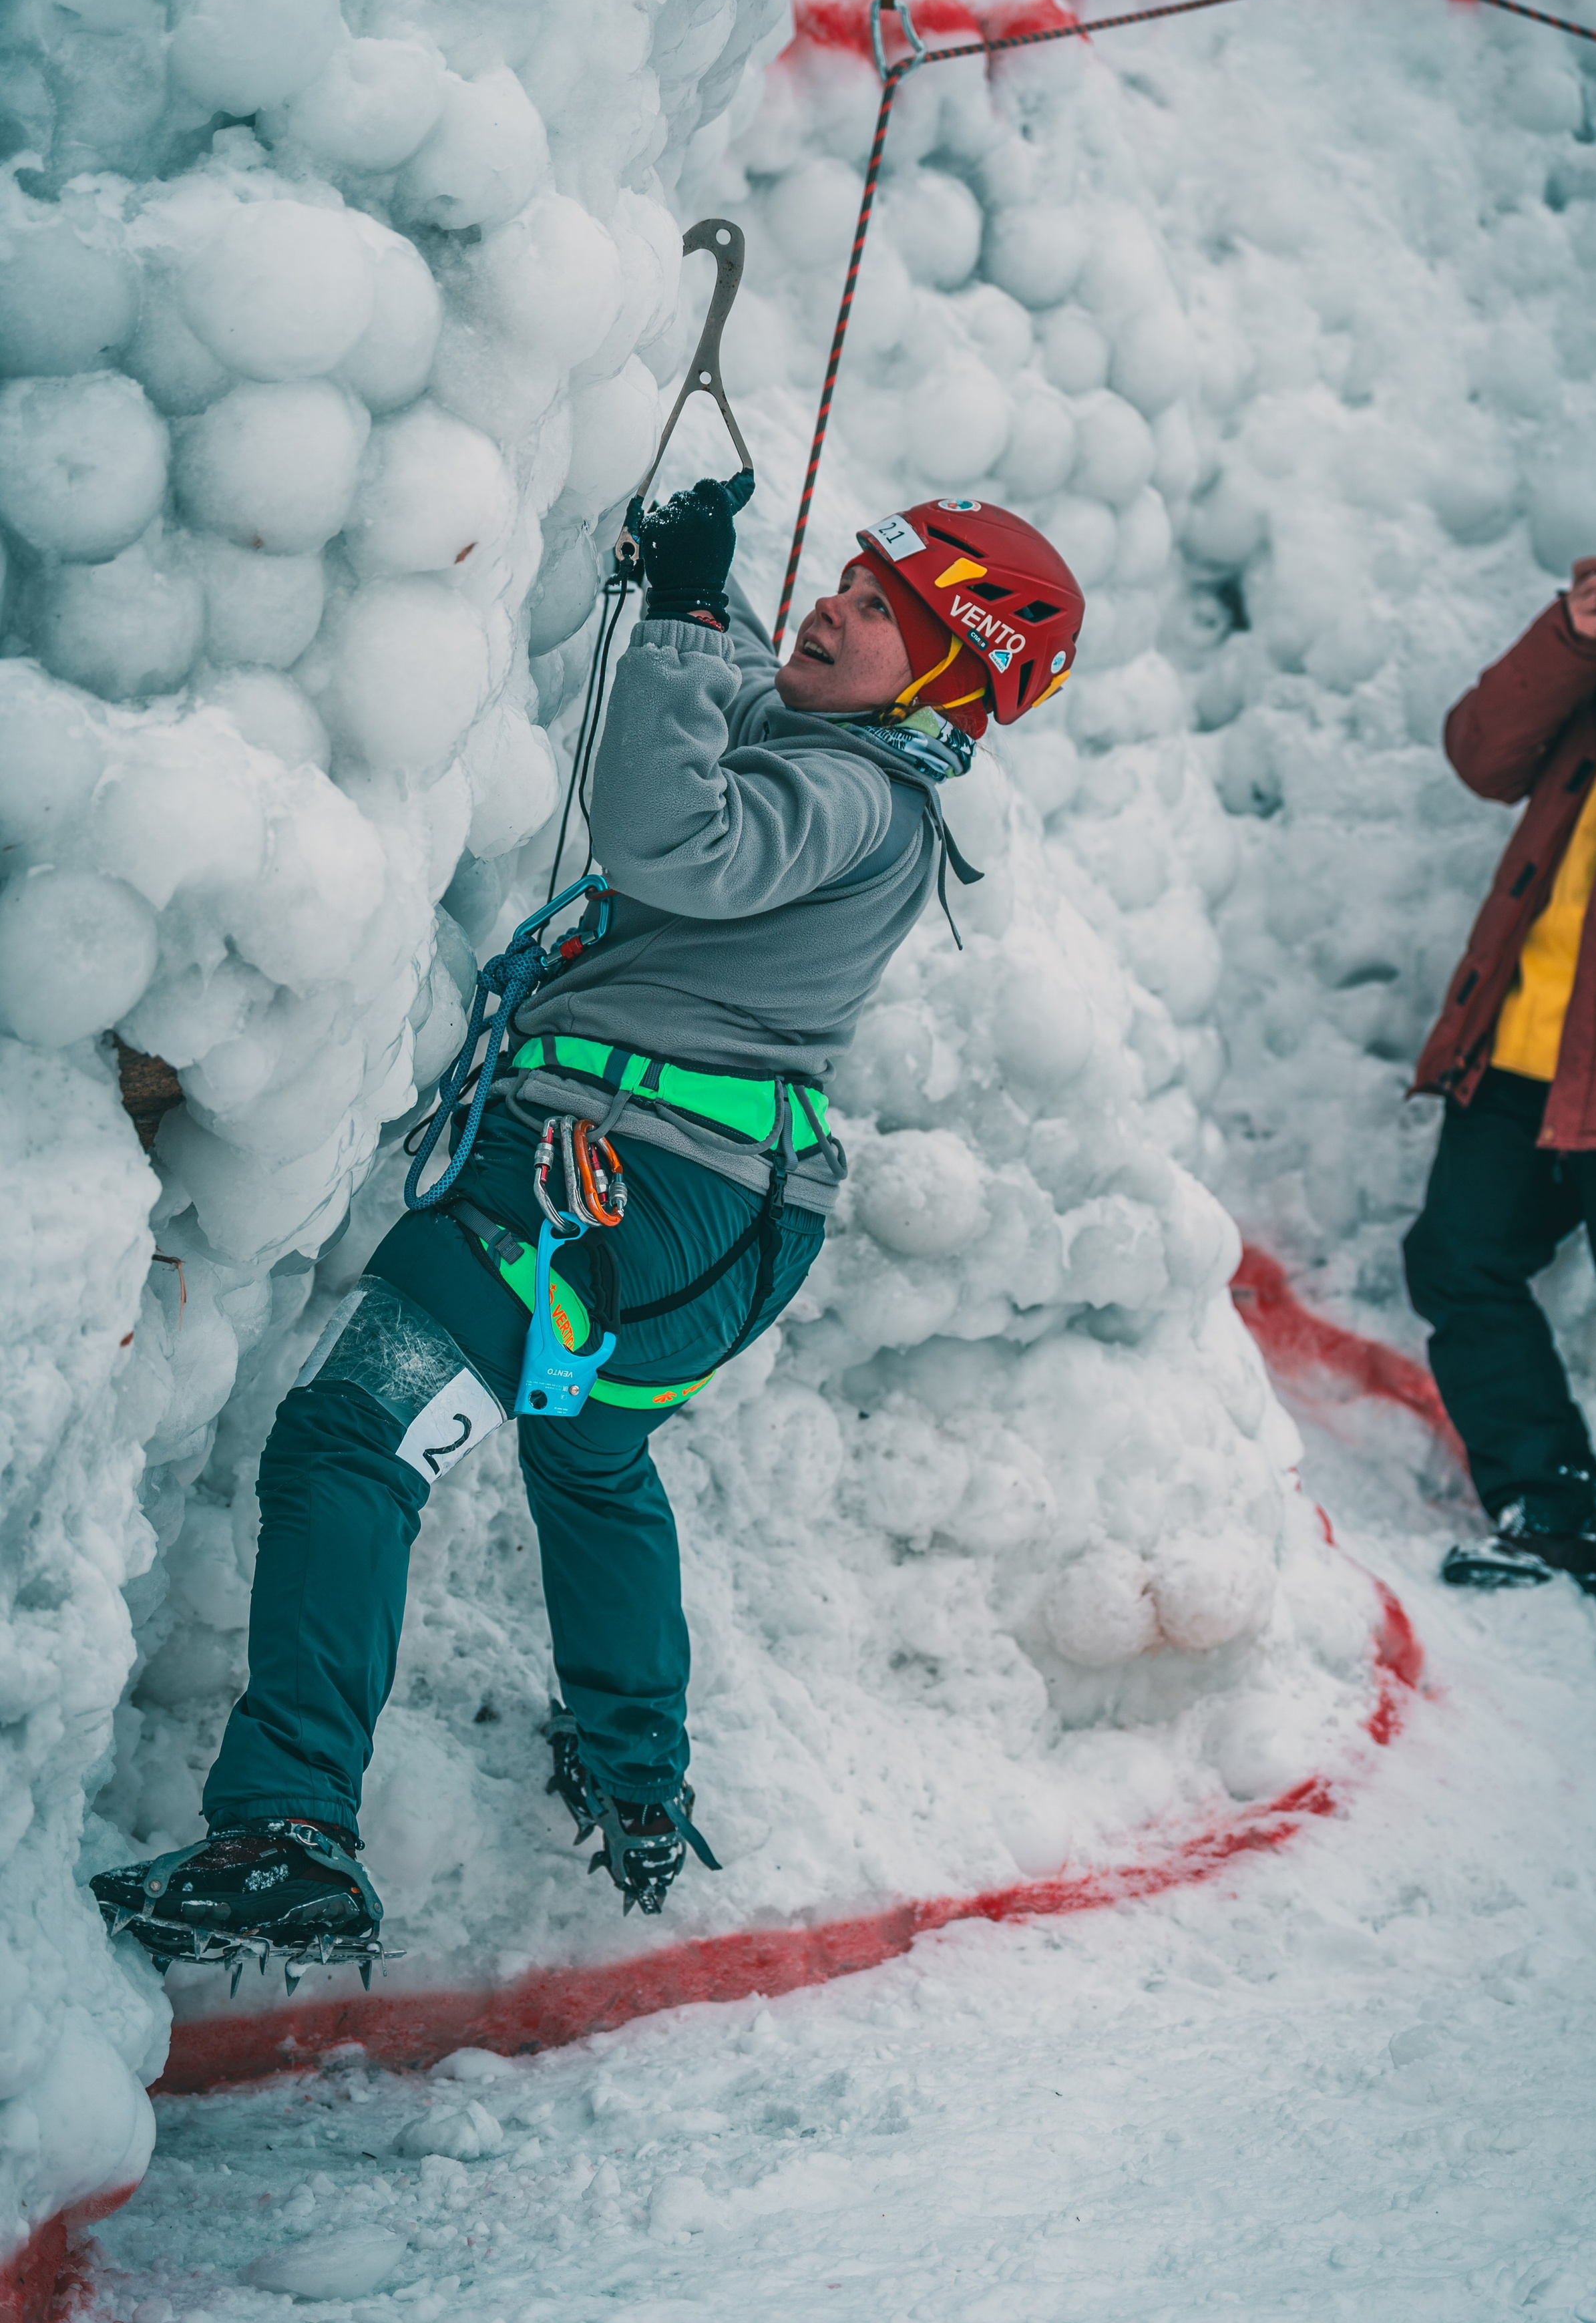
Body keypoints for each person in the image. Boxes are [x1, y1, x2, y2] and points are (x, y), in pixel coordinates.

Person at [93, 480, 1084, 1977]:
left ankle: (286, 1833)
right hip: (719, 1225)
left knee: (351, 1441)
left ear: (949, 676)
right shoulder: (868, 770)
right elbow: (748, 695)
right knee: (588, 1453)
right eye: (847, 579)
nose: (835, 606)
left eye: (883, 609)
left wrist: (684, 615)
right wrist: (704, 595)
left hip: (601, 1184)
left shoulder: (852, 798)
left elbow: (674, 841)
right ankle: (634, 1776)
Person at [1404, 452, 1596, 1697]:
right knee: (1460, 1263)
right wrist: (1576, 633)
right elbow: (1481, 751)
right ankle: (1551, 1512)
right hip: (1524, 1051)